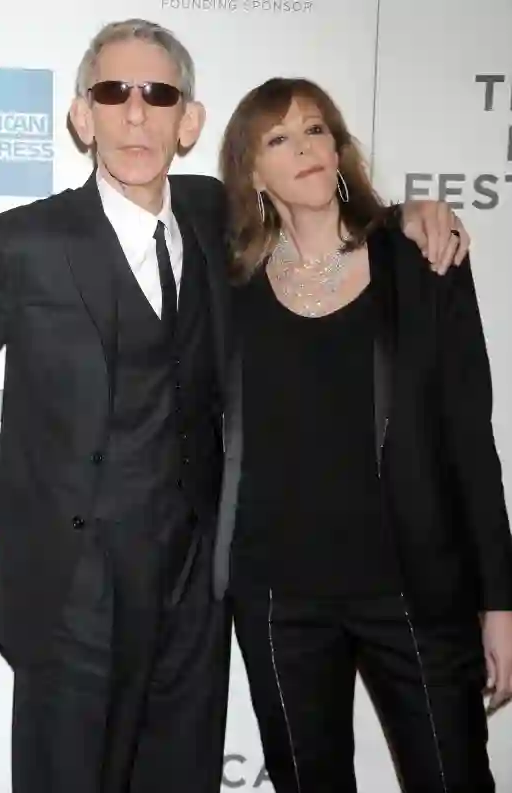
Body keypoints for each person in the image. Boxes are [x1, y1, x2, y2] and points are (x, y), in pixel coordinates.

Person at [0, 19, 467, 793]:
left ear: (190, 121)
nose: (137, 114)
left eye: (160, 94)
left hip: (196, 591)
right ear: (84, 115)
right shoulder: (26, 241)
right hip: (71, 591)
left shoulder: (214, 215)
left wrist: (415, 212)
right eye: (114, 93)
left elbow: (321, 217)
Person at [215, 76, 512, 793]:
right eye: (278, 138)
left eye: (316, 129)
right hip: (280, 599)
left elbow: (471, 438)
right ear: (253, 171)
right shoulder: (232, 286)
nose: (305, 149)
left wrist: (499, 602)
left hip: (414, 590)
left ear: (340, 146)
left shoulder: (422, 260)